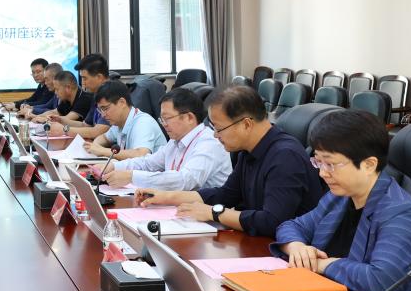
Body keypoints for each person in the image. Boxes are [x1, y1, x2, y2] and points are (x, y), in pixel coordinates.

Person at [272, 109, 411, 291]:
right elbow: (292, 225)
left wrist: (324, 264)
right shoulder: (340, 197)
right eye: (318, 162)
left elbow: (380, 281)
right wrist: (296, 246)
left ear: (369, 165)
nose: (322, 173)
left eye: (330, 164)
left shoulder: (402, 213)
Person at [137, 86, 323, 237]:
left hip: (288, 252)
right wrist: (166, 197)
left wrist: (214, 213)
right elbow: (225, 195)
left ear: (246, 124)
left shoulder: (285, 156)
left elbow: (271, 221)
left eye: (219, 129)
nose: (215, 135)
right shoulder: (247, 151)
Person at [96, 88, 230, 190]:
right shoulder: (175, 140)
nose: (163, 124)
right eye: (162, 119)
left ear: (189, 117)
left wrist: (132, 176)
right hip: (178, 206)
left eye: (167, 118)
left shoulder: (209, 142)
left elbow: (185, 180)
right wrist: (114, 166)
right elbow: (148, 163)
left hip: (208, 214)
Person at [82, 80, 166, 161]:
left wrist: (102, 151)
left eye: (106, 108)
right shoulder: (119, 121)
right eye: (101, 110)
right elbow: (105, 138)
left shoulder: (143, 123)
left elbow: (141, 155)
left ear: (122, 102)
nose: (103, 115)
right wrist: (95, 145)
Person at [47, 54, 110, 137]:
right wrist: (61, 120)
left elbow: (97, 131)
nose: (83, 83)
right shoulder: (97, 95)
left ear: (99, 77)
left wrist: (64, 129)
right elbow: (85, 125)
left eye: (85, 78)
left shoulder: (112, 94)